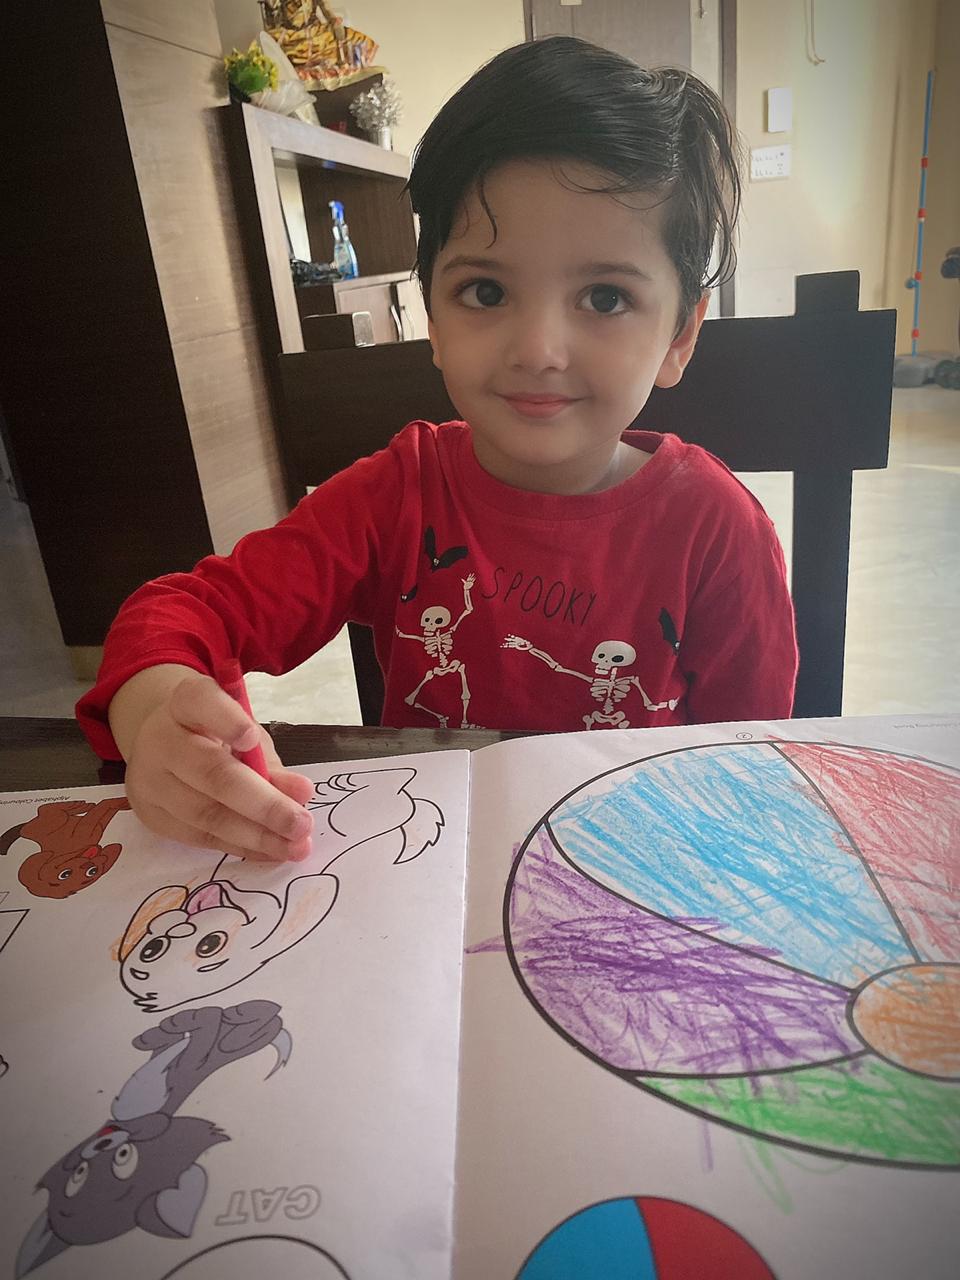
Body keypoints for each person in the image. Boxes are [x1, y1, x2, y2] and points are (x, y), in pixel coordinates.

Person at [76, 36, 797, 864]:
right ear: (433, 319)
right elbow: (181, 613)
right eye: (485, 291)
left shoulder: (717, 531)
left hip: (632, 868)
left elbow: (751, 767)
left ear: (680, 335)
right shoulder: (396, 495)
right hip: (420, 865)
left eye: (605, 297)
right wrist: (157, 709)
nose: (538, 349)